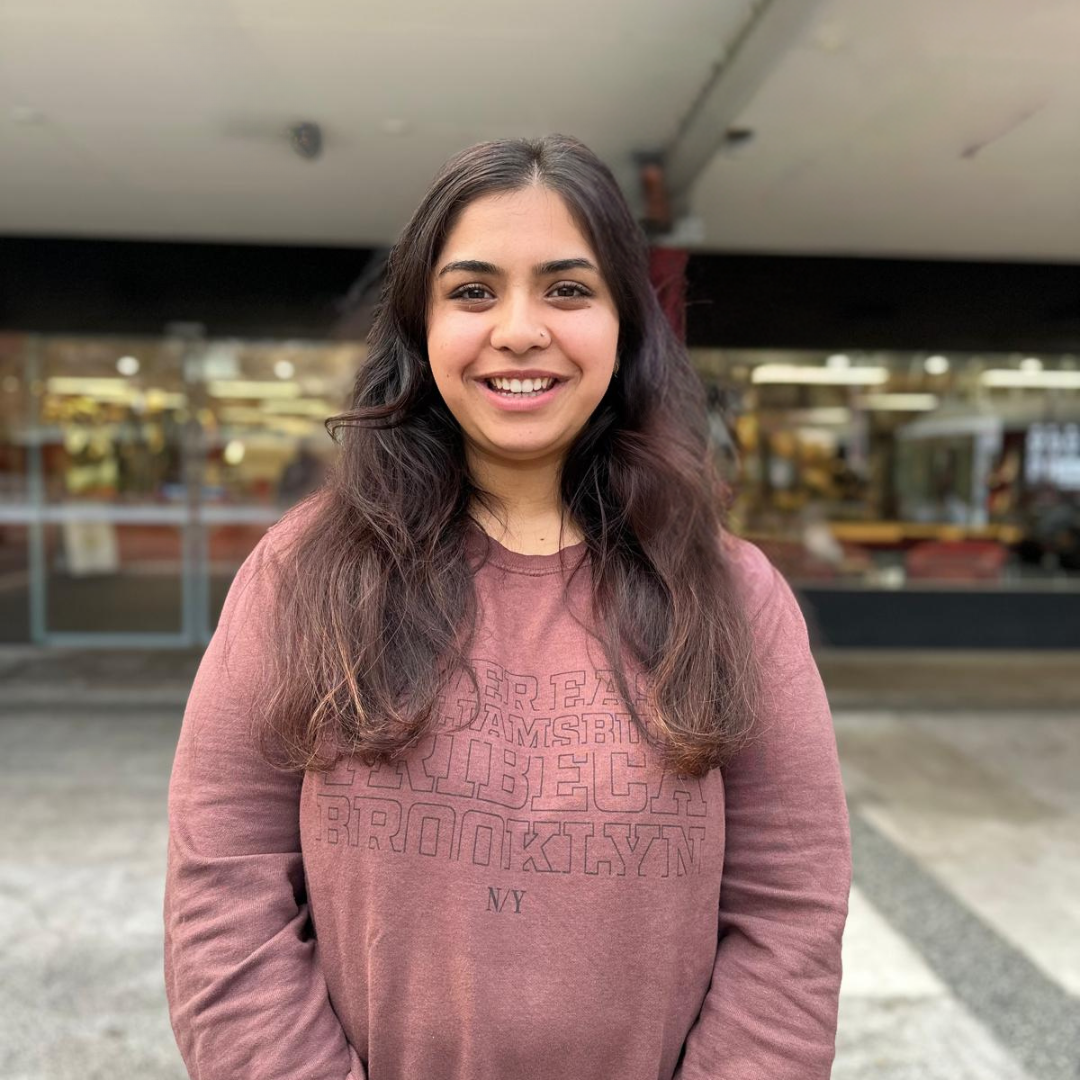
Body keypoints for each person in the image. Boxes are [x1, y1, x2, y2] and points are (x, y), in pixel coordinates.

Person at [164, 134, 851, 1080]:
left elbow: (789, 907)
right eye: (473, 291)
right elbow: (224, 889)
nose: (519, 329)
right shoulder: (304, 573)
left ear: (624, 326)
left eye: (568, 289)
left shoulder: (732, 595)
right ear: (420, 325)